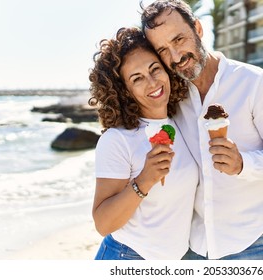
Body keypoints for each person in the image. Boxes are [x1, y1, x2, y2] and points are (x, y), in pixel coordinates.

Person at [140, 0, 263, 260]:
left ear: (198, 29)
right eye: (163, 50)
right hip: (190, 247)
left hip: (249, 245)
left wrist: (242, 164)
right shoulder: (172, 96)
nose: (176, 56)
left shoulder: (255, 82)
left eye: (179, 39)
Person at [88, 27, 198, 260]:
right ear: (125, 91)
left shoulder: (183, 121)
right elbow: (103, 223)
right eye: (137, 78)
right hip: (127, 257)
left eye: (154, 69)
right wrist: (144, 180)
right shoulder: (117, 140)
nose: (152, 82)